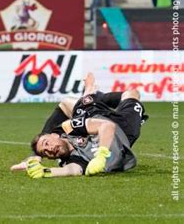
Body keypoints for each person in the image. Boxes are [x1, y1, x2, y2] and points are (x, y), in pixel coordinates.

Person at [11, 73, 148, 178]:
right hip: (124, 128)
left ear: (54, 135)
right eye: (45, 153)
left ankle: (90, 92)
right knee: (131, 95)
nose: (50, 149)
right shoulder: (70, 159)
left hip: (98, 115)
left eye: (47, 143)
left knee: (77, 103)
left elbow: (106, 126)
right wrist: (46, 172)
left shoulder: (68, 127)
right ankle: (91, 93)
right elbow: (72, 170)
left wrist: (101, 155)